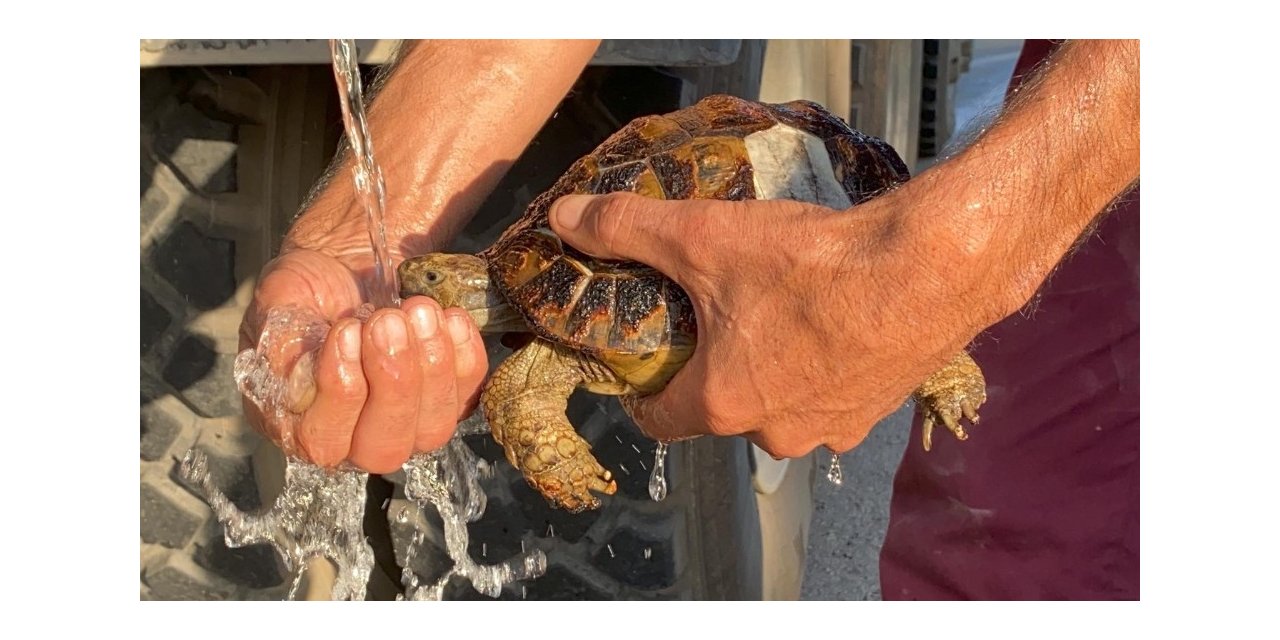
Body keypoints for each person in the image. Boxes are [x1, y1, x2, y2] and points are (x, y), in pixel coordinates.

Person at [241, 39, 1139, 598]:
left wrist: (943, 270)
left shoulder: (536, 356)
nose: (427, 291)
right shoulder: (527, 299)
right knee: (1003, 530)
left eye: (430, 281)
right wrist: (366, 240)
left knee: (1077, 517)